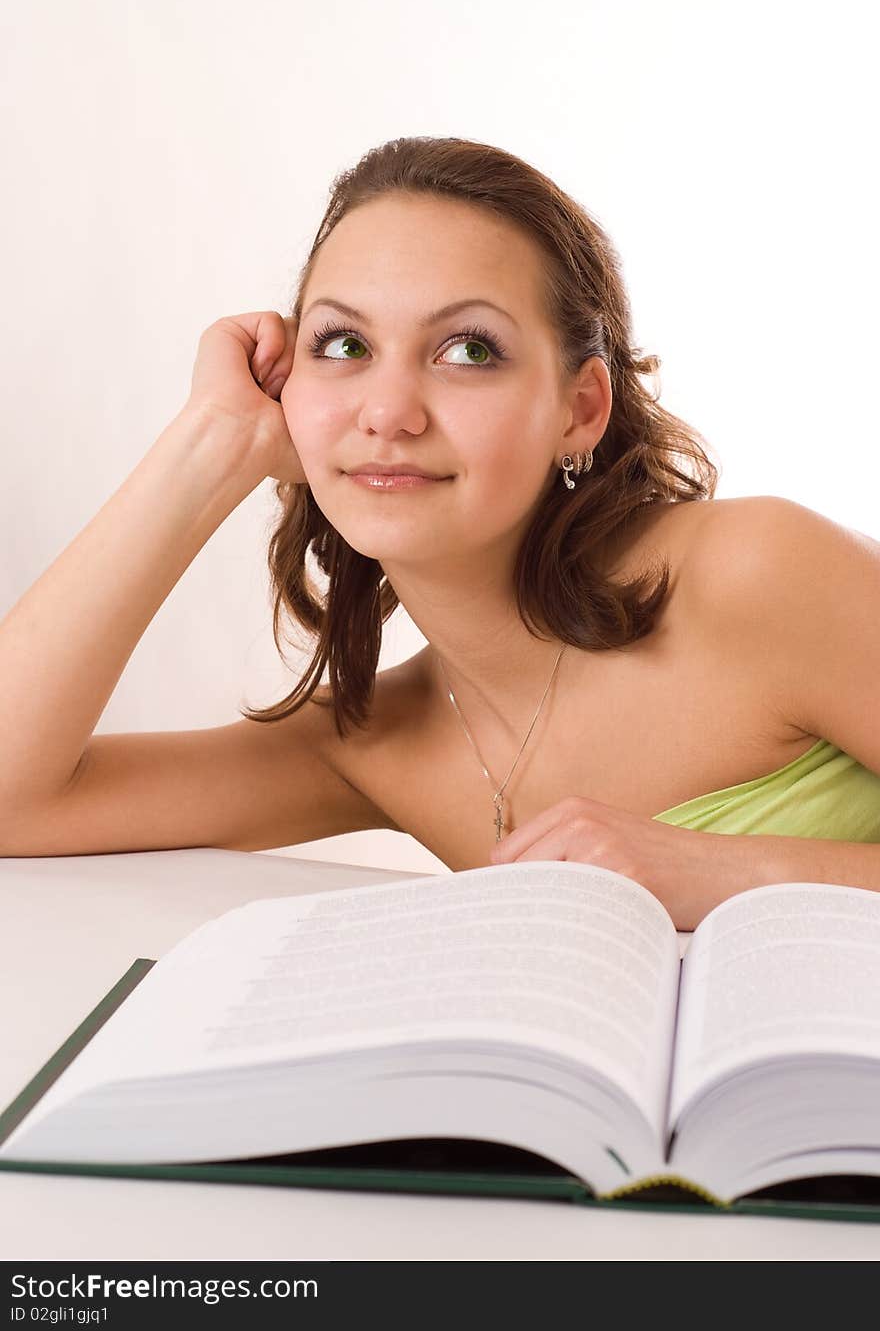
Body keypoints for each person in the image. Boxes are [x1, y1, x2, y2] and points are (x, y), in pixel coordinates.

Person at [2, 135, 879, 931]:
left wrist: (727, 872)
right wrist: (211, 444)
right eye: (342, 345)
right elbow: (14, 801)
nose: (387, 413)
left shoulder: (757, 574)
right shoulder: (375, 744)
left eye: (468, 349)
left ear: (581, 409)